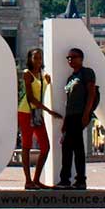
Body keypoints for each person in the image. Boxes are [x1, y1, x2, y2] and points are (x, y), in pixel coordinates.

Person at [55, 47, 97, 190]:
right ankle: (66, 180)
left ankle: (79, 180)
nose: (70, 60)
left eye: (74, 57)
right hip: (71, 117)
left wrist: (86, 114)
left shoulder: (87, 73)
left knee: (77, 148)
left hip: (80, 115)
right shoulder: (70, 78)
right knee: (67, 147)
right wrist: (65, 123)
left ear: (81, 58)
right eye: (68, 57)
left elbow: (91, 94)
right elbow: (68, 102)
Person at [18, 49, 60, 189]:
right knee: (27, 146)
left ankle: (36, 180)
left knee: (45, 147)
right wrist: (48, 111)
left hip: (36, 113)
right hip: (26, 111)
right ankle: (28, 181)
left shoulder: (43, 75)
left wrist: (47, 82)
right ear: (30, 59)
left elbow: (41, 91)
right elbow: (30, 98)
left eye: (40, 58)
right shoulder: (27, 74)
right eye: (35, 58)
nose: (38, 60)